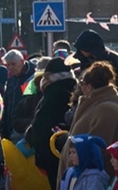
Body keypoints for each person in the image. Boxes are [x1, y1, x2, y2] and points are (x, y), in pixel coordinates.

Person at [58, 62, 118, 183]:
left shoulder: (106, 109)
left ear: (89, 86)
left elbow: (98, 148)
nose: (80, 88)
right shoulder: (94, 105)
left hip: (89, 180)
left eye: (81, 84)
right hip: (81, 177)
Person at [26, 58, 75, 189]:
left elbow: (42, 125)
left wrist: (30, 136)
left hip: (52, 152)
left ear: (48, 77)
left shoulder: (53, 95)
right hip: (68, 150)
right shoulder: (73, 91)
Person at [0, 50, 36, 140]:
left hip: (25, 129)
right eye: (8, 65)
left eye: (13, 64)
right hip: (10, 127)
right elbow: (6, 104)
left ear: (22, 61)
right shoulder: (11, 80)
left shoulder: (33, 77)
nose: (10, 67)